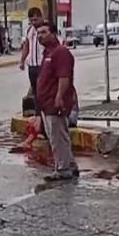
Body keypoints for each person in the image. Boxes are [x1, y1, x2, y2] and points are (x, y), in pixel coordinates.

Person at [35, 23, 79, 181]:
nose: (40, 35)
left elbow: (64, 77)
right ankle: (70, 165)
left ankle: (63, 169)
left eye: (44, 32)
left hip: (55, 102)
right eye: (38, 33)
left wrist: (59, 96)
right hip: (46, 103)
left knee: (57, 137)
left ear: (54, 34)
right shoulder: (48, 53)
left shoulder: (60, 53)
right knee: (60, 135)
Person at [19, 7, 47, 98]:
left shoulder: (47, 30)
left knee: (44, 89)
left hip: (43, 65)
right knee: (35, 90)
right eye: (31, 21)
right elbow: (26, 46)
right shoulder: (29, 30)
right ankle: (38, 110)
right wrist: (22, 61)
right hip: (32, 66)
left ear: (41, 17)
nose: (34, 23)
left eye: (35, 20)